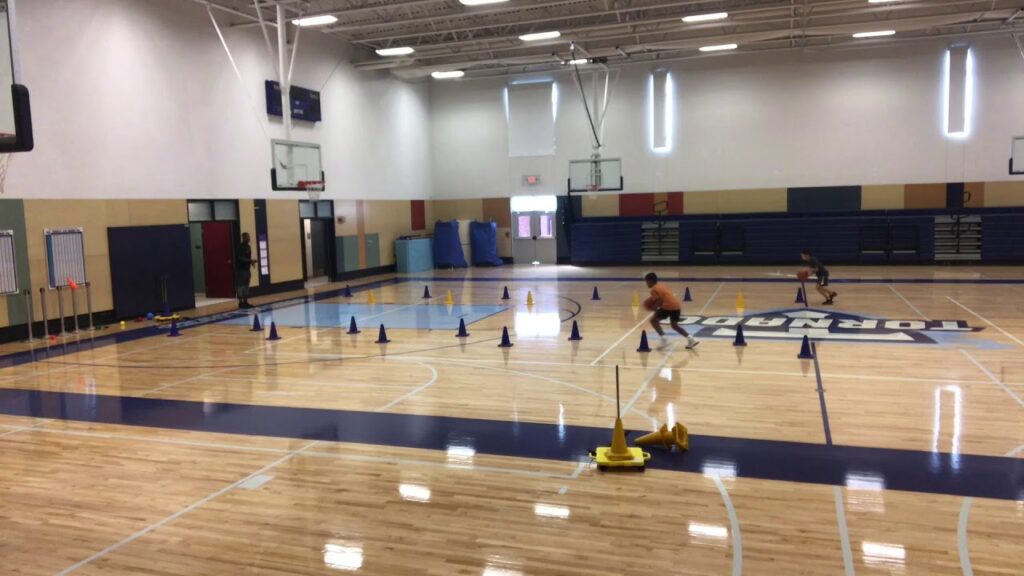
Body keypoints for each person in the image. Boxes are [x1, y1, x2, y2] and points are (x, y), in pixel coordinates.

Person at [644, 272, 699, 350]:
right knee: (674, 325)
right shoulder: (662, 286)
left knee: (653, 321)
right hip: (676, 307)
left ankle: (664, 339)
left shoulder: (653, 289)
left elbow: (660, 299)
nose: (646, 283)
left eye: (646, 282)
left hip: (667, 307)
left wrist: (655, 308)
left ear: (650, 281)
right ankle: (691, 339)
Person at [236, 232, 256, 308]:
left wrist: (251, 263)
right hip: (241, 270)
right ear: (243, 238)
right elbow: (241, 258)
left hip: (247, 270)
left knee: (246, 286)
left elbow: (248, 258)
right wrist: (250, 261)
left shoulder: (248, 247)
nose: (248, 238)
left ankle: (246, 302)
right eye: (247, 237)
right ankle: (240, 303)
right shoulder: (240, 247)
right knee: (241, 286)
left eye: (249, 237)